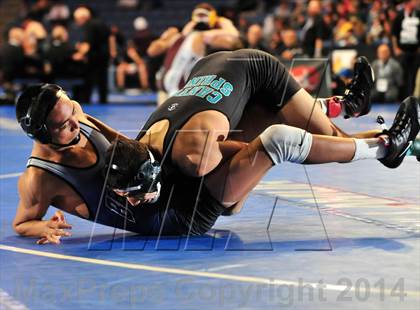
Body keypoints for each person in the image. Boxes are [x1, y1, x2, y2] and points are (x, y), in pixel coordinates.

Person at [102, 49, 419, 236]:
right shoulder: (142, 144)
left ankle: (387, 145)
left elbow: (244, 156)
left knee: (328, 141)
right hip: (211, 73)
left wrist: (239, 190)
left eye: (135, 194)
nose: (131, 202)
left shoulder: (194, 156)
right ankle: (344, 108)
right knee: (282, 129)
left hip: (258, 72)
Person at [12, 83, 141, 244]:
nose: (76, 123)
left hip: (158, 180)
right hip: (167, 219)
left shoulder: (74, 112)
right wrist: (45, 226)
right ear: (43, 136)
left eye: (72, 110)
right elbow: (21, 224)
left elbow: (124, 141)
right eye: (65, 125)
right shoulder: (40, 177)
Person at [148, 3, 240, 100]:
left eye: (204, 15)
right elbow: (151, 51)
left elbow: (235, 40)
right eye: (199, 16)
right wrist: (166, 38)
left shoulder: (220, 29)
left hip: (199, 86)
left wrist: (208, 33)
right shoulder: (181, 33)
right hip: (175, 85)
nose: (201, 19)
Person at [73, 6, 111, 103]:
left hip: (95, 57)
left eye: (77, 20)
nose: (77, 22)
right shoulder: (101, 23)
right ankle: (103, 100)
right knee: (103, 80)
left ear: (83, 17)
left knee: (89, 79)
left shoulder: (89, 25)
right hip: (104, 55)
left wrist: (79, 54)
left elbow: (88, 44)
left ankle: (86, 100)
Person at [392, 0, 420, 98]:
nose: (417, 2)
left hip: (415, 51)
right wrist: (396, 48)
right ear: (409, 2)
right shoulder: (399, 16)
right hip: (402, 51)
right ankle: (403, 97)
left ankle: (412, 97)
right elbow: (394, 34)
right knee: (402, 75)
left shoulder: (418, 15)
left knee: (414, 75)